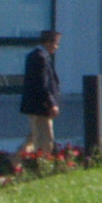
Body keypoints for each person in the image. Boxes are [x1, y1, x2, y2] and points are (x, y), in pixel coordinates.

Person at [19, 28, 63, 156]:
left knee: (33, 138)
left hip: (36, 106)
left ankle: (15, 162)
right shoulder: (40, 57)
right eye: (56, 43)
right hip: (40, 107)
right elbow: (42, 84)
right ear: (48, 42)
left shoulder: (39, 56)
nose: (56, 47)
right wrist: (51, 104)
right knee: (45, 141)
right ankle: (43, 165)